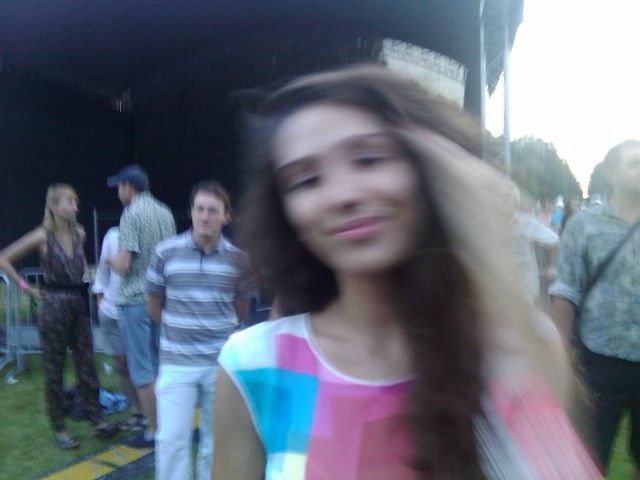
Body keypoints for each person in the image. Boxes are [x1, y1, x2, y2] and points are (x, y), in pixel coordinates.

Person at [211, 66, 599, 479]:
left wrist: (480, 242)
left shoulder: (515, 348)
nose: (342, 195)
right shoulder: (256, 366)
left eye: (368, 159)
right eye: (305, 180)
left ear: (430, 168)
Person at [146, 180, 253, 480]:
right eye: (200, 209)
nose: (205, 216)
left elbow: (240, 308)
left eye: (213, 211)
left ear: (226, 216)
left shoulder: (239, 260)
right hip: (176, 361)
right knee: (171, 440)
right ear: (191, 212)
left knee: (216, 440)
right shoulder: (165, 252)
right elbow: (152, 303)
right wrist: (179, 331)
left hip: (220, 364)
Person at [0, 184, 116, 448]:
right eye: (69, 201)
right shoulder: (42, 236)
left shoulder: (79, 234)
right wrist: (26, 287)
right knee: (54, 366)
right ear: (53, 206)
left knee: (86, 363)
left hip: (78, 303)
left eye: (76, 201)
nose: (75, 206)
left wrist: (88, 275)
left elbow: (79, 264)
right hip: (53, 304)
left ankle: (95, 418)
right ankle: (59, 427)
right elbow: (4, 259)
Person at [550, 140, 640, 478]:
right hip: (602, 360)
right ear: (612, 174)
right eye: (635, 163)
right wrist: (559, 359)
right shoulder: (585, 224)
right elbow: (565, 291)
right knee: (588, 458)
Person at [107, 164, 176, 448]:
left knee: (142, 371)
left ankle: (153, 431)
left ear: (127, 186)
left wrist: (109, 261)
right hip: (161, 298)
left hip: (134, 300)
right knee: (160, 365)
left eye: (119, 187)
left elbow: (123, 265)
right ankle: (168, 424)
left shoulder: (131, 214)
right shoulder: (165, 211)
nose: (118, 193)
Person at [92, 226, 145, 431]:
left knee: (141, 365)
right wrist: (100, 297)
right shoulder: (113, 235)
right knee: (122, 365)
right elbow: (102, 270)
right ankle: (135, 411)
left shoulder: (148, 236)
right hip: (111, 311)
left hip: (136, 311)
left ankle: (148, 413)